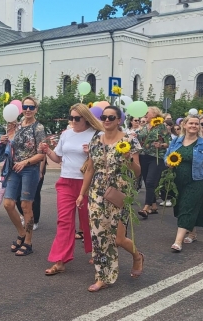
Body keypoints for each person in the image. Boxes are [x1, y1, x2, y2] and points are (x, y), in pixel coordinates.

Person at [77, 106, 143, 292]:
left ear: (119, 120)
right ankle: (103, 276)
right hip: (97, 193)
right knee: (98, 236)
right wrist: (82, 193)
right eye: (104, 117)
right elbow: (90, 168)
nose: (106, 120)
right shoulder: (96, 140)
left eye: (111, 117)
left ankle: (137, 256)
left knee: (118, 239)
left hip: (120, 194)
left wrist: (128, 158)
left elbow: (137, 172)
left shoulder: (130, 140)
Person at [40, 103, 104, 275]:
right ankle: (60, 260)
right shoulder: (66, 134)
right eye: (71, 118)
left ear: (86, 119)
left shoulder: (97, 134)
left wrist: (93, 151)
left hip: (87, 184)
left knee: (89, 221)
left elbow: (105, 160)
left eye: (77, 118)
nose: (73, 121)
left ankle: (96, 251)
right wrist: (47, 151)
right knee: (64, 221)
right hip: (66, 182)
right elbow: (59, 158)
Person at [164, 115, 203, 252]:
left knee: (187, 207)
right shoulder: (176, 141)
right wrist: (167, 162)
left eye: (196, 124)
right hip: (177, 180)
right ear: (185, 125)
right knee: (182, 207)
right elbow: (167, 156)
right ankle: (192, 233)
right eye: (191, 123)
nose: (194, 126)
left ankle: (178, 241)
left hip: (197, 181)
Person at [3, 96, 46, 256]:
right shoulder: (17, 126)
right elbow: (12, 146)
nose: (28, 109)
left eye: (31, 107)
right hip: (14, 168)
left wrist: (26, 162)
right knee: (8, 204)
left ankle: (28, 242)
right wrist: (5, 140)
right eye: (25, 106)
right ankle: (21, 233)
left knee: (26, 206)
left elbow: (42, 154)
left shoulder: (39, 128)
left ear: (36, 109)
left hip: (29, 169)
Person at [136, 107, 171, 217]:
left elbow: (168, 143)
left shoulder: (161, 126)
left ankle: (146, 207)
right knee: (147, 182)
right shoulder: (144, 127)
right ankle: (154, 205)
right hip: (143, 156)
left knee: (151, 181)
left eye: (147, 112)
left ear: (155, 114)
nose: (145, 114)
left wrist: (160, 145)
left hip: (156, 157)